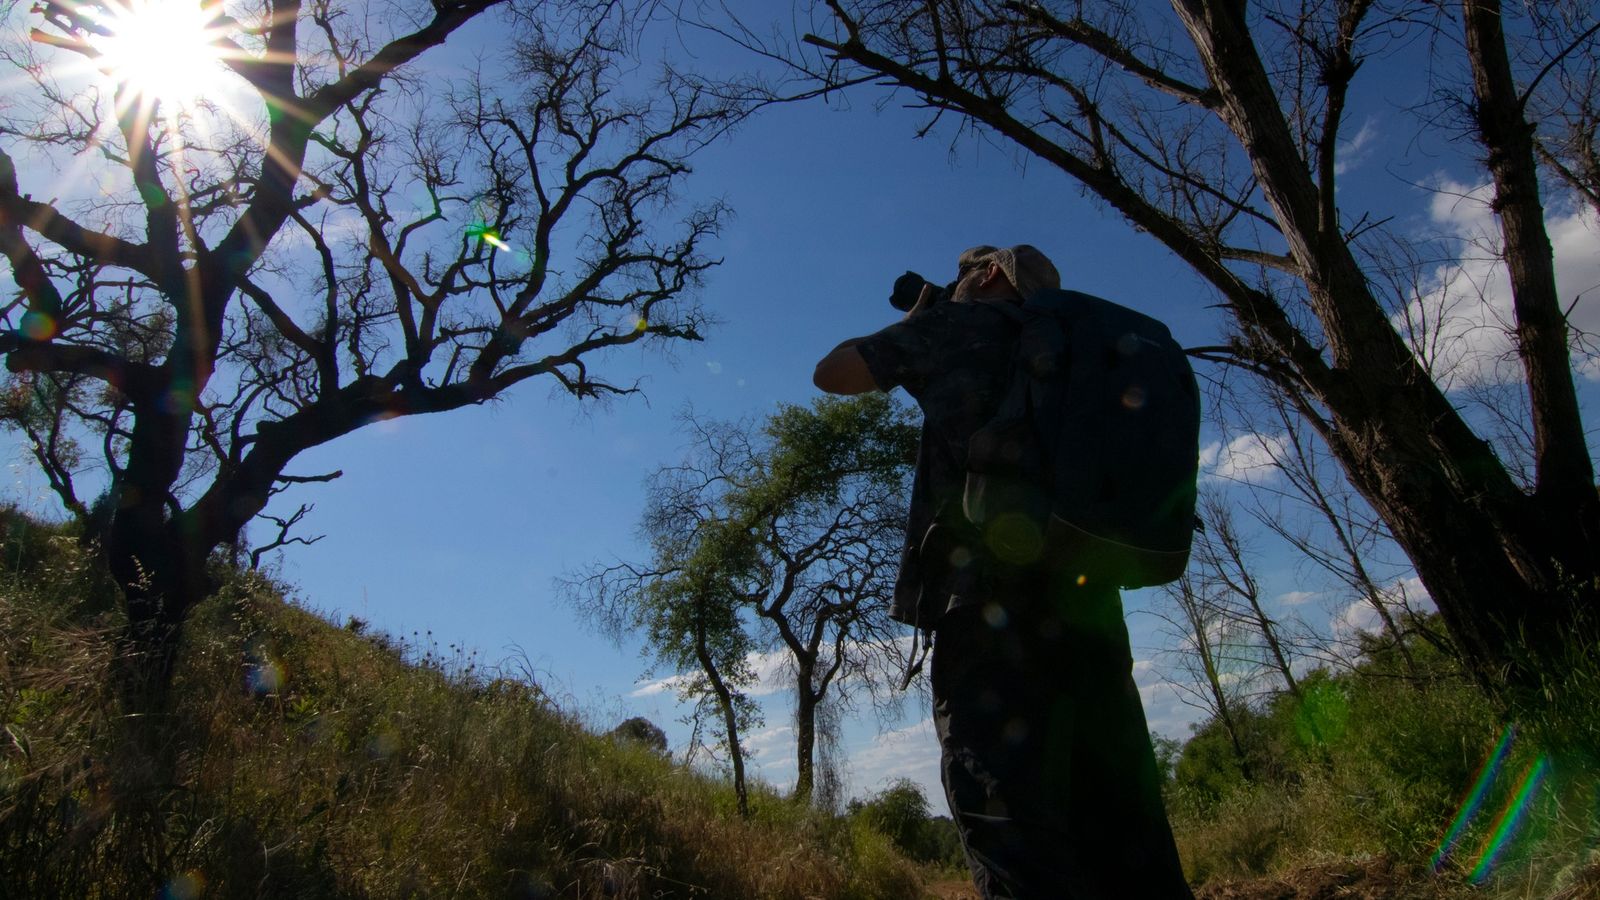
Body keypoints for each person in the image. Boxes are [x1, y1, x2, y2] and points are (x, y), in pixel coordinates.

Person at [813, 245, 1193, 899]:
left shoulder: (960, 327)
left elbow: (834, 373)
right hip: (1093, 615)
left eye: (965, 273)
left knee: (1015, 837)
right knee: (1129, 836)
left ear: (988, 275)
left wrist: (920, 322)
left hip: (988, 620)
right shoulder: (1084, 354)